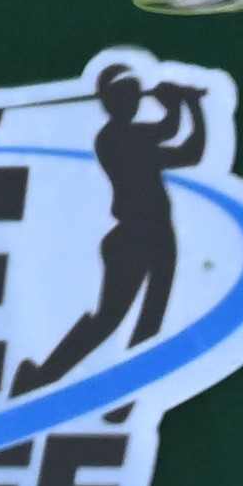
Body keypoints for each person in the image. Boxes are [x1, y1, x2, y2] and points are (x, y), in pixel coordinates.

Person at [24, 62, 208, 389]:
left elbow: (191, 153)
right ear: (110, 102)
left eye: (135, 93)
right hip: (133, 237)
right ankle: (38, 378)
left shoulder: (137, 141)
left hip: (158, 232)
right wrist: (180, 103)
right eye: (125, 95)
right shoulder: (113, 138)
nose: (133, 101)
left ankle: (128, 392)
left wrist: (190, 106)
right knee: (108, 321)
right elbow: (169, 130)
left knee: (151, 319)